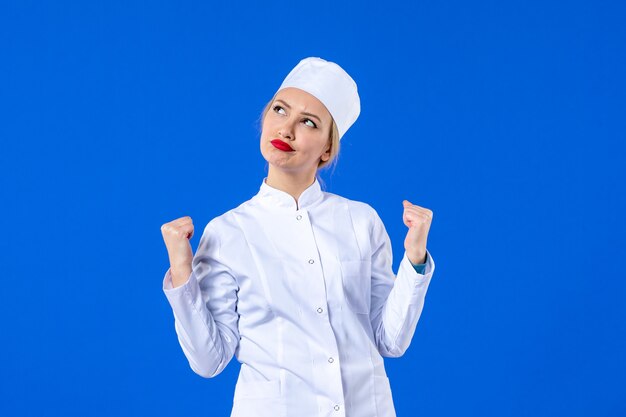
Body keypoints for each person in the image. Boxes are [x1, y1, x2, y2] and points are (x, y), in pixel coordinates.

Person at [161, 57, 435, 417]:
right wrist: (182, 272)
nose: (286, 129)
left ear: (327, 149)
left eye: (308, 122)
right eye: (279, 110)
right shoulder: (228, 232)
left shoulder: (361, 221)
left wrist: (415, 261)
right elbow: (210, 360)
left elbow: (389, 340)